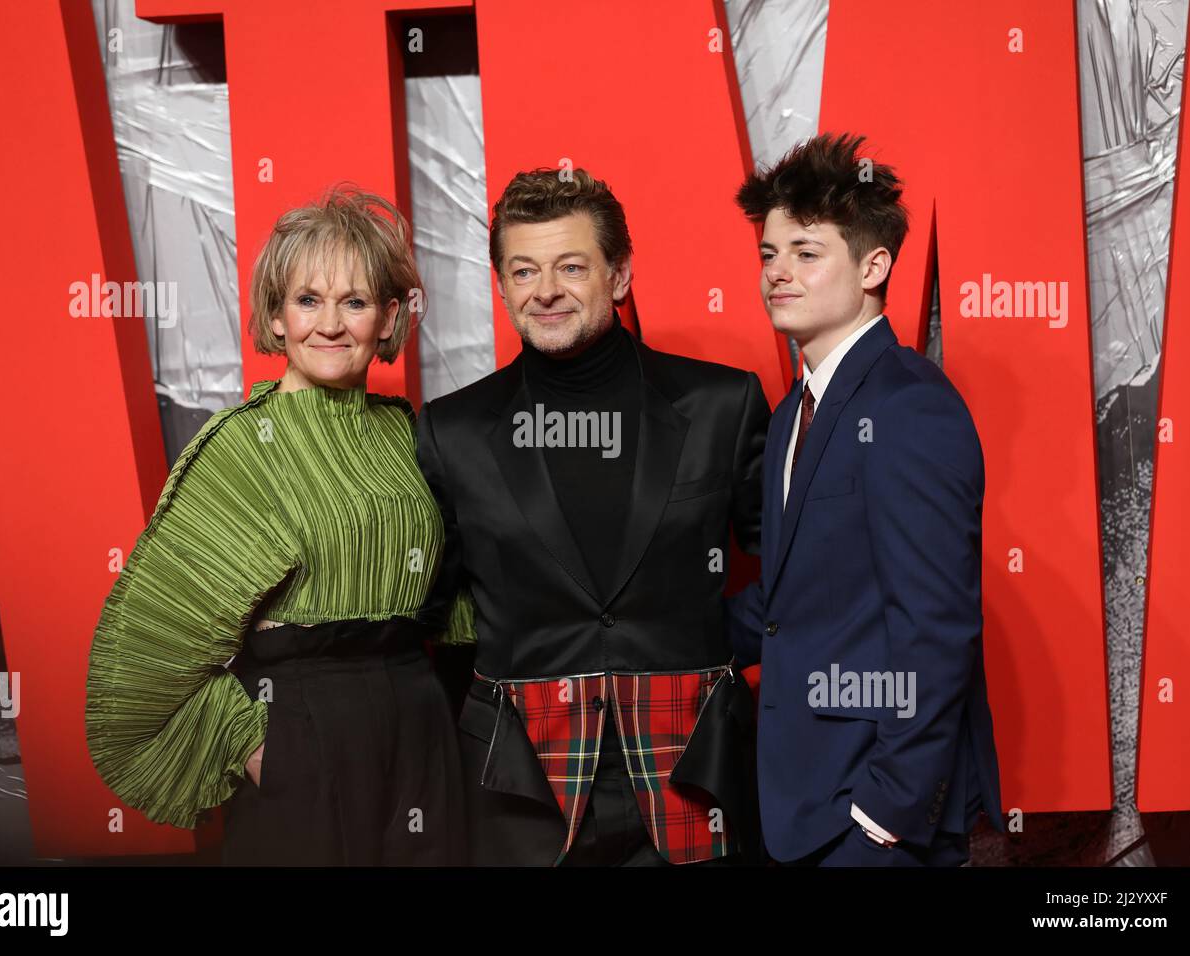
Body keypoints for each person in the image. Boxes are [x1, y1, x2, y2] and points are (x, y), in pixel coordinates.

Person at [85, 183, 464, 865]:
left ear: (387, 318)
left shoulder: (408, 434)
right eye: (308, 300)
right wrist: (265, 749)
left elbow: (460, 596)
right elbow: (142, 663)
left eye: (354, 301)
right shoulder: (241, 447)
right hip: (306, 734)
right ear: (278, 316)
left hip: (422, 732)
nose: (330, 323)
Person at [416, 167, 770, 865]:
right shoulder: (451, 432)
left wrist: (706, 656)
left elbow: (796, 577)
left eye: (571, 266)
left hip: (694, 773)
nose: (545, 289)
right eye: (523, 270)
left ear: (619, 275)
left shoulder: (720, 406)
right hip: (521, 791)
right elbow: (433, 617)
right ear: (501, 284)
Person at [727, 133, 1004, 866]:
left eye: (806, 253)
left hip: (874, 817)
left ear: (874, 264)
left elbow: (937, 624)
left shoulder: (909, 404)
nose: (778, 274)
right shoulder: (794, 413)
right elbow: (791, 601)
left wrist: (889, 807)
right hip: (803, 802)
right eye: (768, 254)